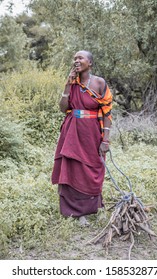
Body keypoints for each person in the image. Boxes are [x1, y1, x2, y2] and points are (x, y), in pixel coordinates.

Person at [51, 50, 112, 226]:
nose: (76, 61)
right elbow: (63, 108)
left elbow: (107, 112)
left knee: (93, 168)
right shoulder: (73, 83)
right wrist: (67, 85)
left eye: (80, 58)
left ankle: (94, 207)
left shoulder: (99, 83)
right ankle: (76, 213)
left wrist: (105, 140)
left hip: (92, 132)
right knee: (73, 169)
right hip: (72, 131)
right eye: (75, 58)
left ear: (90, 63)